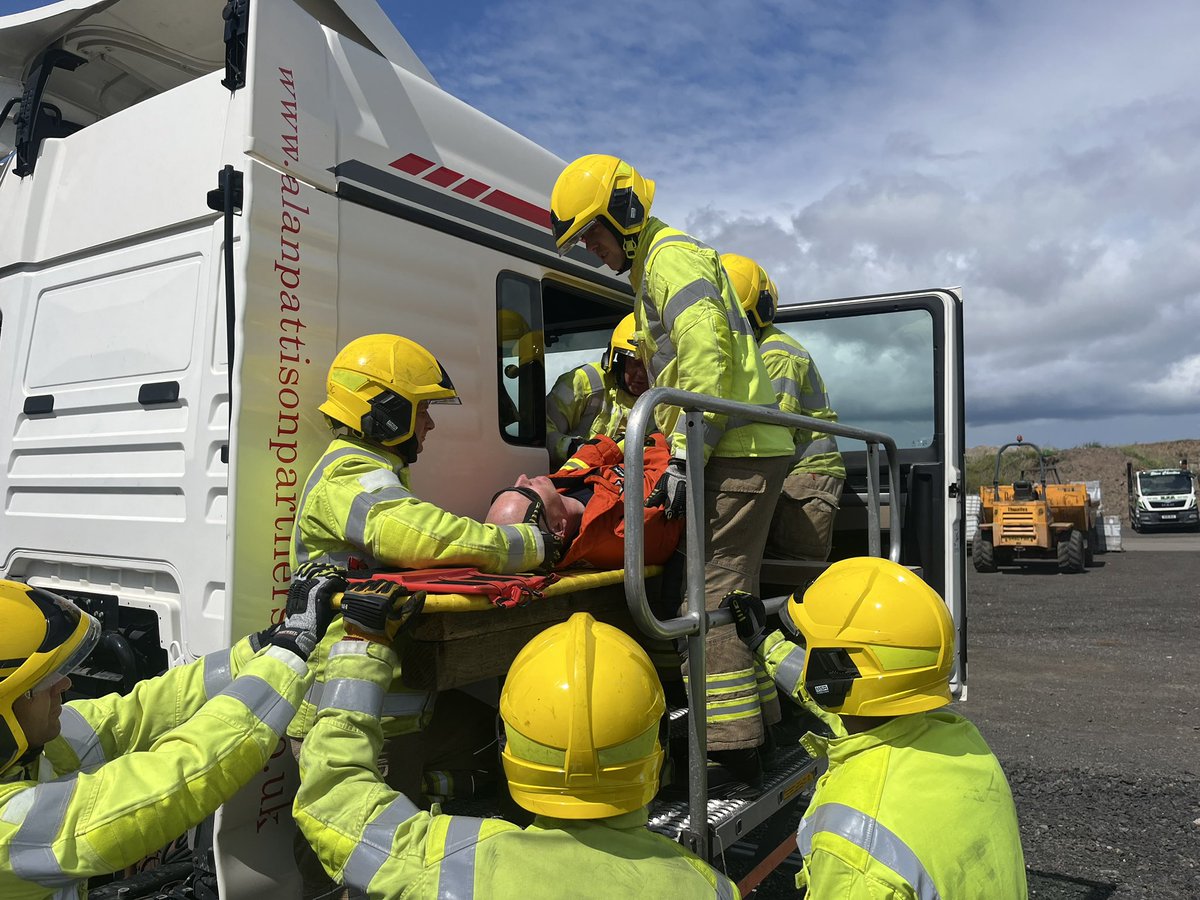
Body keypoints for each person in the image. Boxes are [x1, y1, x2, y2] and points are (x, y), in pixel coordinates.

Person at [287, 333, 562, 896]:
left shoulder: (370, 474)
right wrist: (528, 545)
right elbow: (420, 535)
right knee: (356, 862)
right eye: (423, 410)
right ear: (385, 413)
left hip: (376, 711)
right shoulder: (351, 479)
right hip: (354, 717)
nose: (430, 426)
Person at [550, 155, 794, 780]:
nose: (593, 249)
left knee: (705, 597)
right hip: (738, 447)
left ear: (624, 215)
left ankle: (729, 751)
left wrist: (686, 452)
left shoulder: (667, 259)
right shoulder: (653, 263)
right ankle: (759, 729)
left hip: (735, 449)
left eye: (595, 234)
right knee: (726, 595)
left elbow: (704, 357)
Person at [293, 592, 741, 899]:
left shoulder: (453, 861)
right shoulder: (710, 888)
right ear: (656, 747)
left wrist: (360, 650)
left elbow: (334, 797)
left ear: (509, 745)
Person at [0, 570, 339, 900]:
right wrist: (289, 654)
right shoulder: (10, 833)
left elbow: (136, 715)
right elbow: (172, 783)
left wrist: (259, 648)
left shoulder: (31, 745)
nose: (65, 684)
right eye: (42, 683)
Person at [722, 558, 1027, 899]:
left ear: (834, 670)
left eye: (809, 647)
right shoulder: (964, 745)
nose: (805, 656)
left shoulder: (854, 847)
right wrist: (763, 642)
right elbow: (834, 689)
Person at [722, 253, 846, 562]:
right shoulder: (756, 351)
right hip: (793, 476)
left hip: (805, 478)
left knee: (793, 574)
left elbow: (775, 427)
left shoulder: (776, 354)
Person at [485, 433, 683, 570]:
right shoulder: (623, 529)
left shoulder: (559, 488)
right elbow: (664, 469)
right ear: (557, 527)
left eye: (513, 486)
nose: (522, 477)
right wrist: (644, 440)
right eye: (526, 492)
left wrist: (621, 443)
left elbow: (592, 453)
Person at [545, 313, 649, 468]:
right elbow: (543, 431)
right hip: (567, 481)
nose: (642, 374)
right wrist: (573, 448)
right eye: (635, 363)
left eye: (649, 365)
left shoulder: (661, 404)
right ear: (617, 360)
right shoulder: (584, 381)